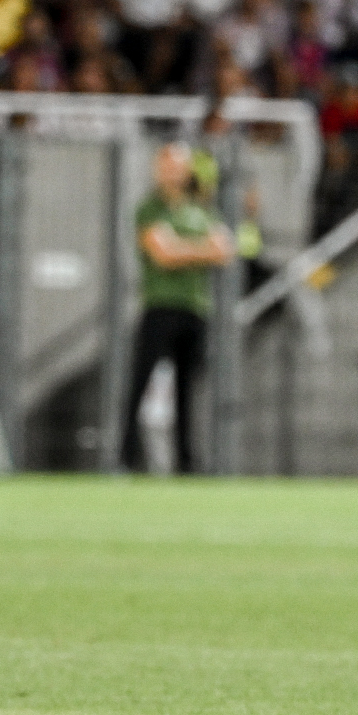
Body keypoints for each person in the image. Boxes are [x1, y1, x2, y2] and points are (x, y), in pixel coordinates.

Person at [120, 143, 234, 474]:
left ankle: (186, 463)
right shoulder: (150, 209)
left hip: (195, 308)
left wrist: (181, 248)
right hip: (159, 306)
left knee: (187, 391)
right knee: (139, 384)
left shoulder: (201, 210)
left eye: (178, 166)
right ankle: (125, 459)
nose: (172, 172)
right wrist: (198, 250)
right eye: (166, 165)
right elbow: (162, 255)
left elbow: (223, 250)